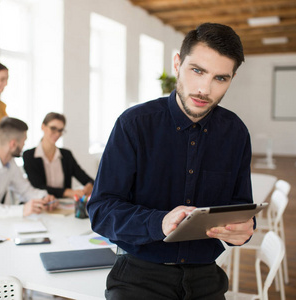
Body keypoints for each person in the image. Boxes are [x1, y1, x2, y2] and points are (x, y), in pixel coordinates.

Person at [87, 23, 254, 299]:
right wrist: (159, 222)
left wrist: (244, 229)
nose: (204, 88)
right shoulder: (133, 125)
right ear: (178, 63)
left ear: (231, 79)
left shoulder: (236, 133)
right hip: (139, 277)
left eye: (220, 78)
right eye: (197, 71)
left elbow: (239, 205)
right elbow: (102, 211)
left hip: (206, 277)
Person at [23, 112, 94, 199]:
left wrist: (89, 185)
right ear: (43, 127)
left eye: (60, 130)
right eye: (53, 128)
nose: (57, 134)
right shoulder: (29, 156)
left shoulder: (66, 155)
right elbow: (37, 186)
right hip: (41, 204)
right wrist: (68, 192)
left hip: (64, 206)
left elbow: (87, 179)